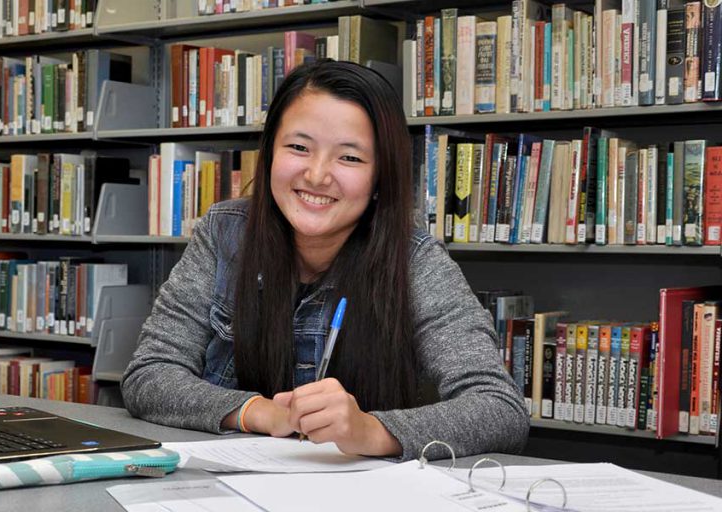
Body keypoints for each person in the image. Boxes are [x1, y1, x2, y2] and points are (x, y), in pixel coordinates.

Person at [121, 59, 529, 460]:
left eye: (349, 157)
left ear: (379, 178)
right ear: (269, 154)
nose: (316, 176)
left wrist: (371, 431)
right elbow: (150, 373)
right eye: (299, 147)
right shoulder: (225, 234)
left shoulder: (415, 262)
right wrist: (260, 412)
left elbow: (499, 408)